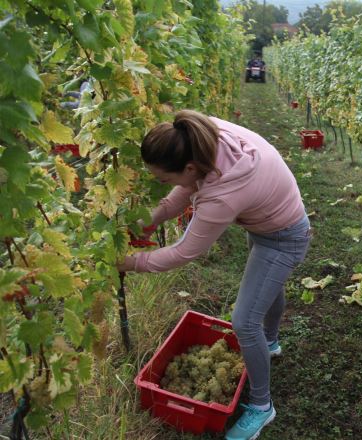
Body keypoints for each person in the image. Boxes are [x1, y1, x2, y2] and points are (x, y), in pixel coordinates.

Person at [116, 110, 311, 440]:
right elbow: (187, 186)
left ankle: (262, 406)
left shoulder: (223, 194)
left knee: (244, 321)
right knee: (268, 285)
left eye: (162, 178)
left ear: (188, 167)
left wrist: (132, 263)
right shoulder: (200, 136)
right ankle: (269, 343)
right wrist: (152, 219)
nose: (162, 184)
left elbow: (184, 252)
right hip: (268, 219)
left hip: (284, 236)